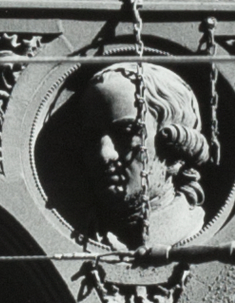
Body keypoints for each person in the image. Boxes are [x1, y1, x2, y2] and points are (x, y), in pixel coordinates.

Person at [79, 56, 211, 250]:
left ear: (172, 146)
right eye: (91, 138)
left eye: (125, 133)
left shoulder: (191, 229)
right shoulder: (91, 232)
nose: (104, 154)